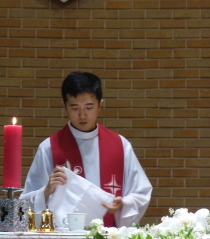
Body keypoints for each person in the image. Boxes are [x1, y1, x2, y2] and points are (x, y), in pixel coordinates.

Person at [21, 71, 152, 229]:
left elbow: (141, 192)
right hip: (65, 238)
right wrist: (46, 191)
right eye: (74, 108)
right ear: (64, 106)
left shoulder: (120, 145)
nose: (82, 115)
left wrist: (123, 203)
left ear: (100, 105)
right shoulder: (49, 147)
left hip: (109, 237)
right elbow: (25, 203)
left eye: (89, 107)